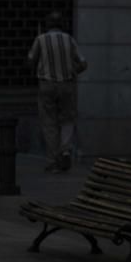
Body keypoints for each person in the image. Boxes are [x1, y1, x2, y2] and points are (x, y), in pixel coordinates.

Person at [28, 11, 87, 173]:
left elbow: (31, 59)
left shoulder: (41, 39)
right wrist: (72, 71)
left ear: (47, 25)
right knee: (67, 119)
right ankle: (65, 149)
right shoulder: (69, 39)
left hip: (46, 84)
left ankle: (53, 159)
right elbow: (83, 63)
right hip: (66, 84)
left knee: (49, 122)